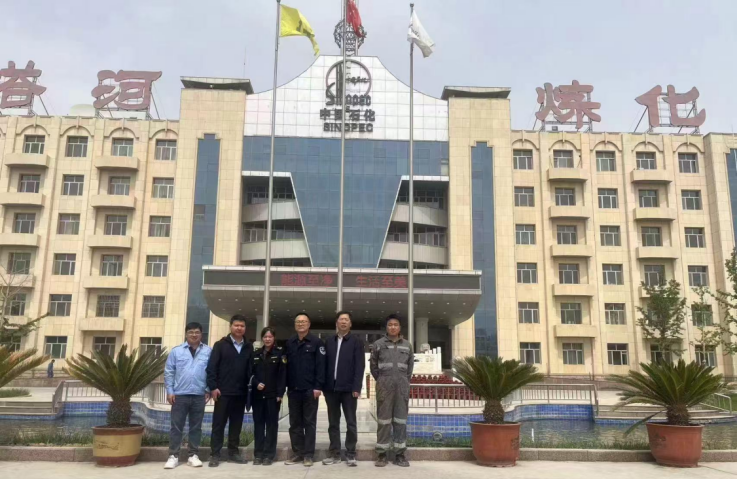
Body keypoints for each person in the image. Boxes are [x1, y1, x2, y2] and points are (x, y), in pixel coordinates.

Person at [206, 315, 253, 467]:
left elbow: (250, 370)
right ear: (230, 326)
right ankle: (215, 454)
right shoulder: (220, 345)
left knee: (236, 425)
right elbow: (211, 368)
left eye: (242, 326)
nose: (239, 328)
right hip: (223, 393)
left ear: (245, 328)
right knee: (218, 425)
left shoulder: (248, 347)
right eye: (236, 325)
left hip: (240, 393)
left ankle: (233, 453)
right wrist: (213, 387)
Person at [163, 322, 212, 470]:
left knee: (196, 427)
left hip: (199, 395)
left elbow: (212, 372)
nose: (194, 335)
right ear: (186, 334)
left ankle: (193, 455)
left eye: (197, 332)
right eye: (191, 332)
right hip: (180, 395)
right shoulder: (176, 351)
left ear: (201, 334)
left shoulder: (208, 351)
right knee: (176, 427)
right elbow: (169, 372)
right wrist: (170, 391)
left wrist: (208, 389)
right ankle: (173, 456)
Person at [370, 314, 414, 468]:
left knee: (400, 421)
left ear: (400, 327)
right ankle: (381, 454)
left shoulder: (407, 345)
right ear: (386, 327)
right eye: (390, 325)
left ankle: (400, 454)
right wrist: (383, 380)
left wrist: (403, 382)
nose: (393, 327)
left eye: (396, 324)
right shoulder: (378, 344)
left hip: (401, 388)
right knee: (384, 421)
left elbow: (410, 368)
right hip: (384, 387)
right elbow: (373, 366)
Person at [323, 311, 365, 467]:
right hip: (331, 389)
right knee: (333, 423)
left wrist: (357, 387)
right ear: (336, 323)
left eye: (346, 320)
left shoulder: (356, 342)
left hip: (348, 389)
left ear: (350, 323)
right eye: (341, 319)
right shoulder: (329, 341)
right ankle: (334, 453)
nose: (343, 322)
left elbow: (360, 366)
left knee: (351, 422)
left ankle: (350, 453)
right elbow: (324, 364)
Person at [284, 312, 325, 468]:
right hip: (293, 390)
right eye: (298, 322)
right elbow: (285, 366)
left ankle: (308, 455)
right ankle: (298, 453)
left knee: (309, 423)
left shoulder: (317, 342)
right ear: (295, 325)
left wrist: (318, 387)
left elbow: (321, 366)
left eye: (303, 321)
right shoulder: (290, 342)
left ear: (309, 324)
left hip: (310, 390)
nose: (300, 324)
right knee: (295, 423)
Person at [251, 327, 287, 467]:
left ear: (274, 338)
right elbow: (250, 374)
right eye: (265, 337)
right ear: (262, 338)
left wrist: (280, 393)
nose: (267, 339)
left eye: (270, 337)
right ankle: (258, 454)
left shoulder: (279, 354)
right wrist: (256, 383)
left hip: (273, 396)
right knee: (259, 425)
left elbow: (282, 375)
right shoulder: (255, 354)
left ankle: (269, 455)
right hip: (258, 396)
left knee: (271, 426)